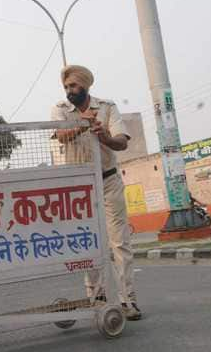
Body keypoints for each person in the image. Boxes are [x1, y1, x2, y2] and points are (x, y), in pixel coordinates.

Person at [50, 65, 142, 321]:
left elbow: (121, 142)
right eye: (67, 87)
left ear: (86, 86)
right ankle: (97, 299)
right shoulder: (60, 109)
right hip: (79, 187)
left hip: (109, 180)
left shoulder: (107, 107)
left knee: (119, 242)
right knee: (88, 243)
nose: (70, 91)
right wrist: (83, 125)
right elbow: (60, 136)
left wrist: (104, 137)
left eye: (74, 86)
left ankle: (128, 300)